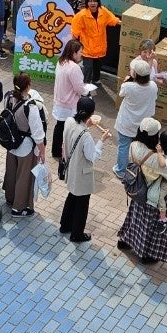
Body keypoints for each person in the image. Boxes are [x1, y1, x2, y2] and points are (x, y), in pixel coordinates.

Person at [120, 120, 167, 263]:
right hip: (150, 196)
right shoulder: (155, 157)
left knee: (134, 218)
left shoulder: (133, 145)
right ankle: (146, 255)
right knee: (148, 226)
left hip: (136, 189)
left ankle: (125, 241)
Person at [59, 94, 108, 244]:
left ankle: (65, 225)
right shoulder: (86, 135)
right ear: (91, 114)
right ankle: (77, 234)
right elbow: (92, 156)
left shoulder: (68, 122)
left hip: (70, 168)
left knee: (72, 196)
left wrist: (87, 125)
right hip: (82, 173)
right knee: (82, 204)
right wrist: (101, 141)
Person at [1, 72, 46, 217]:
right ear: (28, 86)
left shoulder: (8, 97)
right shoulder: (30, 107)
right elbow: (38, 134)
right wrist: (42, 152)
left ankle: (9, 198)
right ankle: (19, 208)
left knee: (11, 172)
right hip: (25, 146)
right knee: (24, 177)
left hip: (11, 143)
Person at [114, 58, 159, 178]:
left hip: (127, 123)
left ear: (135, 74)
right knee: (140, 147)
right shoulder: (153, 86)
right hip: (143, 125)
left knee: (124, 146)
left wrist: (127, 81)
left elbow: (121, 93)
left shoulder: (128, 86)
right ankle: (137, 170)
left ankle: (121, 170)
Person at [51, 39, 91, 161]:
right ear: (73, 53)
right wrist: (87, 91)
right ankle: (67, 152)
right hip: (70, 104)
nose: (81, 54)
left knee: (59, 126)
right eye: (80, 52)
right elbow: (79, 88)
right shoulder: (74, 68)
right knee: (70, 129)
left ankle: (56, 151)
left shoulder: (60, 62)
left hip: (60, 101)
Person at [69, 0, 119, 85]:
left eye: (95, 1)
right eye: (90, 1)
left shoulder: (103, 11)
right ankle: (85, 84)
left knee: (97, 66)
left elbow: (113, 20)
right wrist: (73, 47)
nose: (93, 3)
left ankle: (96, 80)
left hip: (100, 47)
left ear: (98, 2)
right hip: (87, 48)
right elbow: (75, 31)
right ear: (87, 3)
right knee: (88, 68)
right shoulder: (81, 15)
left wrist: (126, 24)